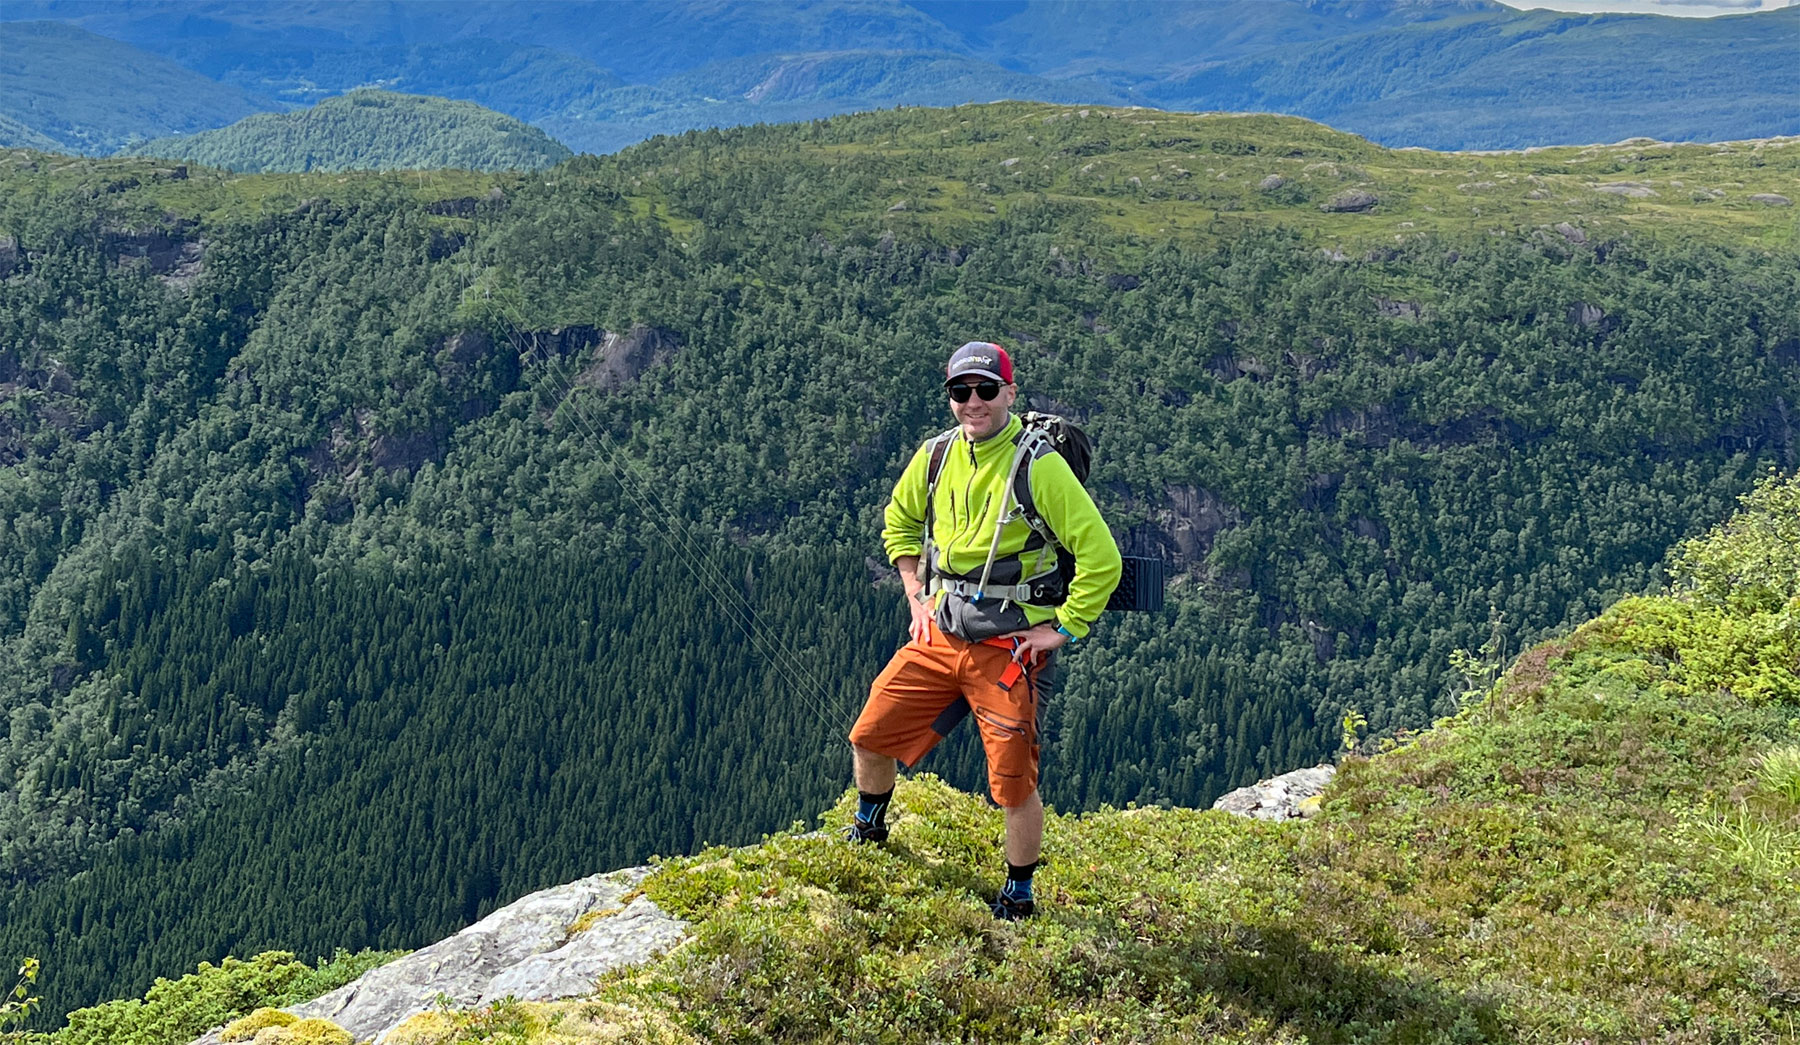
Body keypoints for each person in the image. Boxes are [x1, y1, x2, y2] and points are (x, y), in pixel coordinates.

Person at [846, 340, 1122, 920]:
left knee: (1013, 782)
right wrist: (915, 593)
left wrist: (1066, 629)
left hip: (1009, 645)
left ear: (1009, 393)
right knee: (870, 735)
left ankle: (1019, 892)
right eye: (960, 392)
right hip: (941, 631)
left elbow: (1102, 556)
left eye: (986, 390)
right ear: (950, 398)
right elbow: (899, 519)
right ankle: (869, 828)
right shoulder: (938, 455)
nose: (974, 402)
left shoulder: (1037, 465)